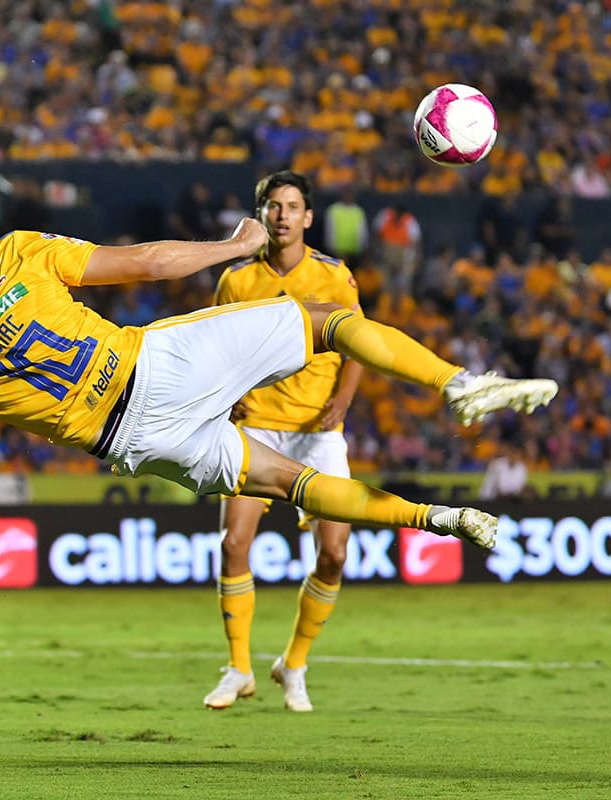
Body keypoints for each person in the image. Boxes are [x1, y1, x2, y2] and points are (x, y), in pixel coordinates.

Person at [0, 179, 559, 625]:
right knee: (326, 322)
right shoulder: (18, 252)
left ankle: (444, 521)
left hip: (132, 444)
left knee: (288, 483)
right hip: (152, 370)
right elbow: (143, 262)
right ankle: (461, 385)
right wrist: (236, 246)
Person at [204, 170, 364, 713]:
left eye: (292, 206)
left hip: (318, 432)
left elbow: (359, 344)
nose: (282, 215)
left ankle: (293, 663)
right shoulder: (235, 280)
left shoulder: (335, 276)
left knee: (335, 554)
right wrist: (227, 396)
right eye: (273, 206)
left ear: (308, 217)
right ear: (261, 215)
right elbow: (215, 349)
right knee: (232, 545)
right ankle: (239, 667)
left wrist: (342, 401)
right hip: (257, 427)